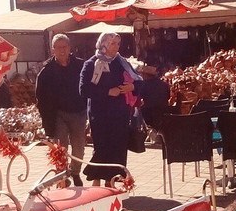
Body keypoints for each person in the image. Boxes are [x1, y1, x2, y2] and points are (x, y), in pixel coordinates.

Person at [79, 32, 138, 186]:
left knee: (117, 147)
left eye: (118, 44)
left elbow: (139, 81)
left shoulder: (121, 62)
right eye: (113, 43)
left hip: (120, 114)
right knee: (101, 147)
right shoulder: (91, 64)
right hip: (100, 114)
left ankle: (111, 183)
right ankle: (96, 183)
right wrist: (107, 92)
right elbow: (84, 89)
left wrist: (131, 86)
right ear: (103, 44)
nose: (116, 47)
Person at [35, 34, 87, 185]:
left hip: (79, 112)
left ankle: (75, 172)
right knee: (60, 148)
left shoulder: (80, 65)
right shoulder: (46, 71)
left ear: (70, 48)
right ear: (53, 50)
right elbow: (41, 98)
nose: (62, 50)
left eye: (64, 47)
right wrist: (46, 121)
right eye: (58, 47)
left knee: (79, 147)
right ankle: (63, 177)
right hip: (58, 114)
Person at [136, 65, 171, 130]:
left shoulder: (144, 85)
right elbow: (168, 97)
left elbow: (139, 96)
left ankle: (140, 129)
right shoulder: (164, 84)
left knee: (138, 112)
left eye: (143, 74)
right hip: (164, 110)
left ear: (146, 75)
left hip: (149, 112)